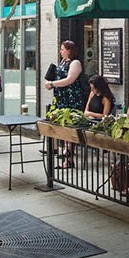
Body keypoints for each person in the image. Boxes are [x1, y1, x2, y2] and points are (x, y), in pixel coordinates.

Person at [44, 40, 85, 168]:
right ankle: (63, 153)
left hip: (71, 99)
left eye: (62, 49)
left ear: (69, 50)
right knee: (61, 126)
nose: (61, 51)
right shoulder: (62, 62)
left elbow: (69, 80)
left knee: (70, 127)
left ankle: (69, 158)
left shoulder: (75, 63)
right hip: (61, 99)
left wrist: (52, 84)